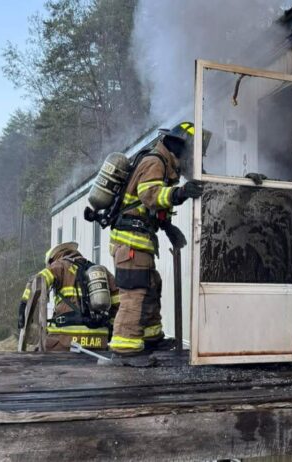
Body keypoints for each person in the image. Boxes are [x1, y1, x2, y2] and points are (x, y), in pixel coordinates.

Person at [104, 121, 208, 357]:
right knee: (134, 293)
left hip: (140, 242)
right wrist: (180, 193)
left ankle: (151, 338)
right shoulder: (155, 162)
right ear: (182, 147)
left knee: (151, 286)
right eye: (194, 152)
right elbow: (150, 195)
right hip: (131, 243)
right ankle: (124, 348)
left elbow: (150, 208)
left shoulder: (165, 164)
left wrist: (167, 226)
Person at [18, 242, 120, 351]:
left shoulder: (59, 265)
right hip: (99, 340)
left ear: (53, 259)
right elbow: (119, 302)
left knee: (38, 349)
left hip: (67, 339)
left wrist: (24, 304)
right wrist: (110, 328)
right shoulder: (99, 270)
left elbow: (38, 281)